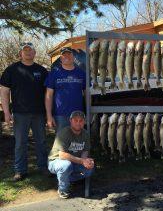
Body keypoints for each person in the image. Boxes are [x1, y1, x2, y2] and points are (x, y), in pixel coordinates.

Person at [0, 42, 48, 181]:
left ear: (34, 53)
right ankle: (20, 171)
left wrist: (48, 113)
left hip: (39, 113)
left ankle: (43, 167)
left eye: (30, 50)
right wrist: (6, 112)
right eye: (24, 50)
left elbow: (48, 93)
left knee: (41, 141)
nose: (27, 52)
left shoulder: (42, 70)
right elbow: (4, 91)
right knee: (20, 143)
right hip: (20, 113)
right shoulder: (11, 70)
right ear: (20, 53)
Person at [48, 110, 94, 199]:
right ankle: (63, 189)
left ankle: (65, 179)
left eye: (81, 121)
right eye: (75, 120)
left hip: (74, 161)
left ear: (84, 122)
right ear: (70, 121)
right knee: (66, 165)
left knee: (90, 168)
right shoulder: (64, 133)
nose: (78, 123)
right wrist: (81, 161)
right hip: (56, 161)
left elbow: (85, 151)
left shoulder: (85, 134)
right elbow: (62, 155)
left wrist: (85, 161)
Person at [45, 47, 86, 133]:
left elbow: (87, 94)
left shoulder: (81, 73)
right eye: (64, 55)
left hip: (78, 115)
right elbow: (49, 96)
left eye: (69, 54)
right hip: (60, 116)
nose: (67, 57)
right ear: (60, 58)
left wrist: (88, 112)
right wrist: (49, 116)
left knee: (76, 144)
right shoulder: (54, 74)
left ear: (73, 57)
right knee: (62, 144)